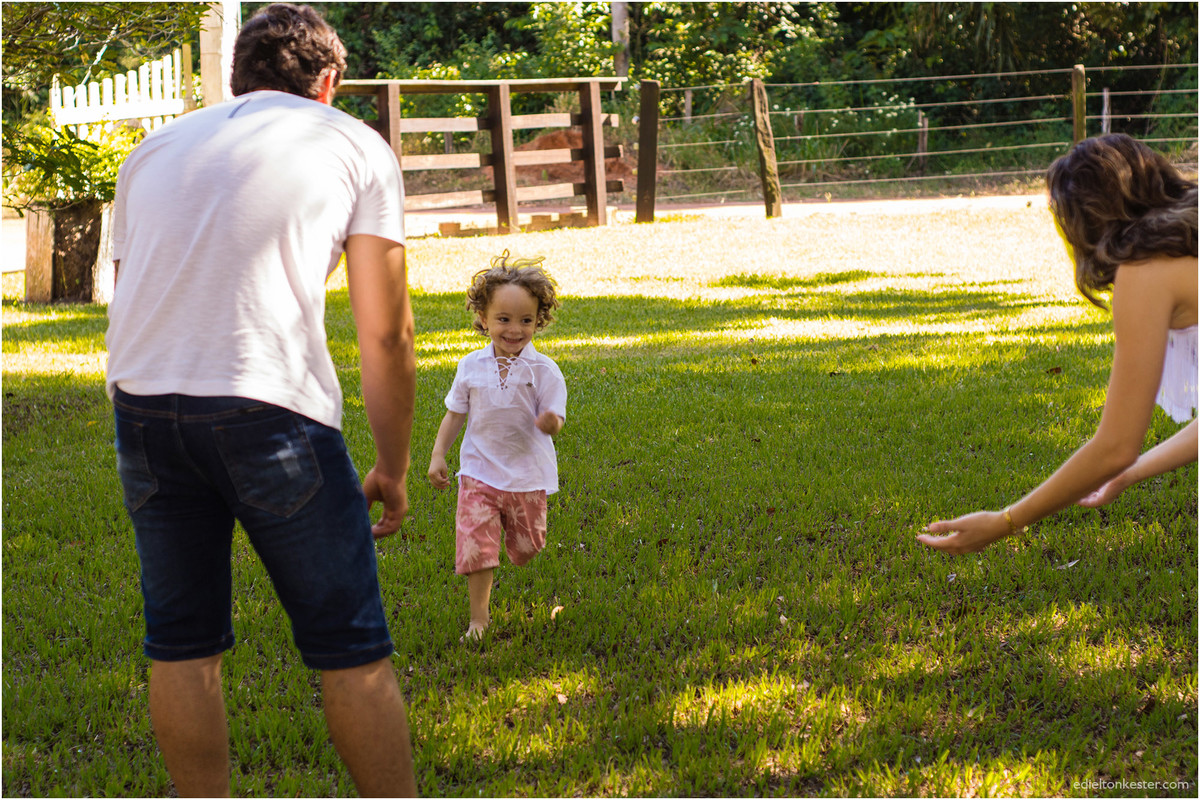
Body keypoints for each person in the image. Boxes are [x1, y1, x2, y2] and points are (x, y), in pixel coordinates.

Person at [105, 4, 417, 796]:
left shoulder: (153, 148)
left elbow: (129, 286)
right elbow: (386, 336)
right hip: (267, 407)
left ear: (236, 77)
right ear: (330, 82)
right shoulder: (353, 144)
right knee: (350, 645)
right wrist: (392, 464)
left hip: (142, 404)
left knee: (180, 642)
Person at [919, 133, 1197, 555]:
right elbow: (1123, 459)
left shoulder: (1144, 271)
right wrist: (1129, 474)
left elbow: (1115, 447)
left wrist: (1007, 520)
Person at [427, 252, 567, 641]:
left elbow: (555, 415)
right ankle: (479, 620)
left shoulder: (544, 371)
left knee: (528, 547)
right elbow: (455, 413)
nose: (514, 329)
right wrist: (439, 453)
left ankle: (518, 541)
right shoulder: (471, 366)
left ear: (539, 319)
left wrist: (551, 421)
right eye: (503, 319)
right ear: (483, 318)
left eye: (526, 320)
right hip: (478, 472)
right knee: (477, 547)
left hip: (526, 475)